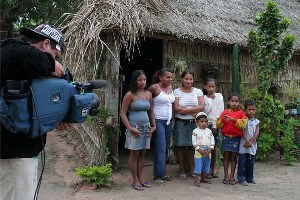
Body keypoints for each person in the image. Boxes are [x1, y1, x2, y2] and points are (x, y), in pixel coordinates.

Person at [1, 24, 67, 200]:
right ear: (46, 43)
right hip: (13, 156)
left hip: (23, 155)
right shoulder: (13, 50)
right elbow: (13, 55)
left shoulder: (32, 68)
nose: (56, 60)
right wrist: (50, 63)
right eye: (56, 54)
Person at [120, 70, 156, 191]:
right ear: (135, 81)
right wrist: (130, 128)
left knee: (142, 154)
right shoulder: (130, 94)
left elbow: (151, 111)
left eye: (144, 80)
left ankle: (140, 179)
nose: (143, 82)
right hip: (134, 128)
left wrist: (153, 126)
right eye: (140, 80)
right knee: (134, 155)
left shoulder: (149, 94)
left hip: (146, 128)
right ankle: (135, 180)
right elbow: (123, 113)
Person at [173, 70, 205, 180]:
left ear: (193, 80)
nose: (188, 81)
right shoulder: (177, 92)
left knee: (193, 147)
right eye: (186, 79)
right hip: (181, 123)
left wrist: (186, 110)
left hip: (194, 124)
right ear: (182, 79)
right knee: (181, 147)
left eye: (191, 79)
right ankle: (182, 170)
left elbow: (201, 106)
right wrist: (192, 112)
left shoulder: (198, 91)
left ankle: (192, 170)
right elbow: (176, 108)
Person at [148, 68, 175, 186]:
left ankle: (162, 172)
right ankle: (157, 175)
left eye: (171, 77)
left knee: (166, 147)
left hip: (168, 121)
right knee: (161, 147)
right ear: (160, 78)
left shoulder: (170, 88)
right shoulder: (154, 88)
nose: (170, 79)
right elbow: (148, 105)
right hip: (158, 121)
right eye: (167, 77)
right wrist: (152, 123)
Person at [216, 92, 247, 185]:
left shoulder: (241, 113)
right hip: (226, 138)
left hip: (236, 138)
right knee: (226, 157)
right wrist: (223, 120)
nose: (234, 103)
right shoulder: (225, 112)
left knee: (233, 158)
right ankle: (225, 176)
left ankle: (232, 176)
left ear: (239, 103)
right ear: (228, 102)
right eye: (232, 101)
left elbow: (243, 125)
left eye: (236, 101)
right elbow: (219, 125)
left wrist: (233, 120)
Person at [203, 78, 224, 179]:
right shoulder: (203, 98)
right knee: (206, 147)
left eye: (213, 87)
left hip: (216, 125)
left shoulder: (219, 96)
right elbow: (205, 112)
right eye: (209, 87)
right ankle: (206, 169)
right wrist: (210, 99)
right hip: (205, 125)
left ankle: (213, 168)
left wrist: (215, 126)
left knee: (214, 148)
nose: (211, 89)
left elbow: (220, 112)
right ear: (205, 87)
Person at [237, 99, 260, 186]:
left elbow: (257, 132)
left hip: (252, 145)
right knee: (242, 162)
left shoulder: (256, 121)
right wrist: (246, 141)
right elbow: (241, 131)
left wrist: (250, 142)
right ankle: (241, 178)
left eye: (253, 109)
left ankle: (250, 178)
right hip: (243, 145)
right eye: (249, 109)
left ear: (255, 110)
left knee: (251, 163)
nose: (251, 111)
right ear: (245, 110)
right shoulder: (243, 120)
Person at [192, 112, 215, 187]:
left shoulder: (209, 131)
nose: (204, 123)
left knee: (206, 165)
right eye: (201, 121)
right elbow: (194, 142)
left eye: (205, 121)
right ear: (197, 122)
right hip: (199, 152)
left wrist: (210, 149)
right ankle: (197, 180)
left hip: (208, 152)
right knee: (198, 165)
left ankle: (203, 178)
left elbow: (212, 141)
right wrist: (199, 150)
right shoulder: (195, 131)